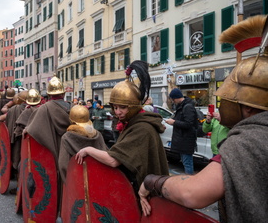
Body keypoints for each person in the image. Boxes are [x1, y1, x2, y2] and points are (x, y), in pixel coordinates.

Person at [138, 15, 268, 222]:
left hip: (187, 145)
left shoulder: (248, 140)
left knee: (189, 168)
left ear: (248, 106)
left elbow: (193, 193)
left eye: (226, 99)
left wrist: (152, 182)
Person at [76, 61, 169, 193]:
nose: (118, 111)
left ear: (133, 107)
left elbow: (113, 160)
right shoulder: (133, 123)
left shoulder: (142, 128)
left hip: (145, 192)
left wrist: (88, 149)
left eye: (123, 107)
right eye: (115, 107)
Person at [25, 75, 71, 162]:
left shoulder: (43, 108)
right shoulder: (73, 108)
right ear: (64, 93)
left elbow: (33, 129)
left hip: (52, 151)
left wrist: (26, 130)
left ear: (49, 94)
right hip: (69, 150)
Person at [59, 105, 107, 182]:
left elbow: (63, 164)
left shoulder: (67, 137)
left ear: (71, 120)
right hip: (98, 177)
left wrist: (68, 184)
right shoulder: (98, 134)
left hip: (76, 179)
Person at [165, 88, 198, 174]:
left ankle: (189, 182)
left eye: (172, 99)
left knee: (187, 163)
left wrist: (174, 122)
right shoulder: (182, 106)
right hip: (183, 140)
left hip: (186, 140)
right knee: (185, 162)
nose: (173, 102)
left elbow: (188, 124)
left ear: (175, 98)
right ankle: (188, 181)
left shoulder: (187, 107)